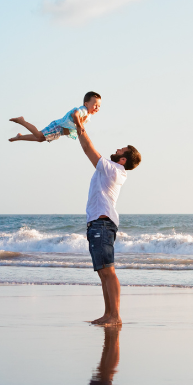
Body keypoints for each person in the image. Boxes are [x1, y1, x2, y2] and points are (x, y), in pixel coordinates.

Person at [78, 129, 141, 326]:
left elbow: (88, 148)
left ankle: (115, 316)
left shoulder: (113, 169)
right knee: (102, 272)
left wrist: (80, 126)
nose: (116, 149)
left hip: (102, 223)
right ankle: (108, 314)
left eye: (121, 150)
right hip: (98, 223)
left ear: (123, 160)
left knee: (108, 271)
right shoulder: (111, 170)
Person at [8, 91, 101, 143]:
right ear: (86, 104)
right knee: (39, 135)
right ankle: (22, 121)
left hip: (59, 131)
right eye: (95, 105)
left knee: (40, 139)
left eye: (99, 106)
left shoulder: (87, 115)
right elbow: (75, 114)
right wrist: (80, 126)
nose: (97, 108)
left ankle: (19, 137)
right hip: (58, 127)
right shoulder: (83, 110)